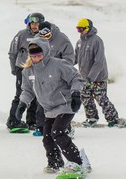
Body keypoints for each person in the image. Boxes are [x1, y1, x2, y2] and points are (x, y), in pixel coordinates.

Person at [16, 37, 91, 175]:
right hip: (49, 109)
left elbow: (76, 78)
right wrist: (22, 104)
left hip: (66, 105)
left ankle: (78, 163)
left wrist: (75, 94)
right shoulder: (28, 71)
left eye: (39, 55)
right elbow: (27, 90)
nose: (37, 58)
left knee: (58, 133)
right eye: (33, 56)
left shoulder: (58, 64)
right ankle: (55, 163)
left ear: (45, 52)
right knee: (47, 138)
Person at [75, 18, 126, 127]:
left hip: (98, 77)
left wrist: (91, 78)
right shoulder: (79, 42)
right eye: (78, 29)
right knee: (85, 98)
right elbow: (75, 58)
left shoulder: (97, 40)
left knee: (101, 99)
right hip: (85, 78)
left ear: (88, 28)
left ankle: (113, 119)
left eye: (82, 29)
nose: (80, 32)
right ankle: (91, 118)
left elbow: (99, 62)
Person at [32, 21, 75, 136]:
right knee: (42, 100)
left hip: (58, 74)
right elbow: (31, 55)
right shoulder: (36, 40)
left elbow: (70, 57)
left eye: (47, 36)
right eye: (43, 36)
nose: (45, 38)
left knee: (60, 101)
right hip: (42, 73)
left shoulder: (62, 39)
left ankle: (66, 128)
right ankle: (41, 127)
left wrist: (63, 69)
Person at [6, 12, 44, 131]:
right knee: (21, 94)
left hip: (38, 69)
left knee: (37, 95)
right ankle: (13, 120)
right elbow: (12, 53)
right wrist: (14, 69)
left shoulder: (44, 36)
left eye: (36, 23)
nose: (34, 26)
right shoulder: (21, 34)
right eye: (32, 23)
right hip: (22, 68)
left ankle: (32, 121)